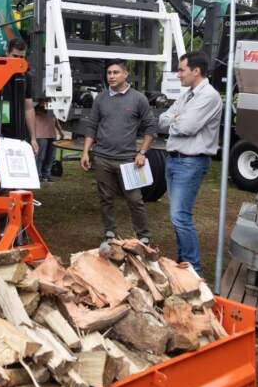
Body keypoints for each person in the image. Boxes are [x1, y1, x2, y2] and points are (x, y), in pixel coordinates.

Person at [158, 51, 222, 276]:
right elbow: (163, 119)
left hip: (190, 162)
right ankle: (183, 262)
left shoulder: (209, 96)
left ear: (196, 71)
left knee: (180, 216)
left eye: (181, 69)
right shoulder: (188, 95)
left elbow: (186, 127)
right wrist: (176, 119)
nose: (178, 74)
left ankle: (194, 269)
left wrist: (175, 119)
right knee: (177, 216)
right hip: (175, 160)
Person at [80, 60, 156, 245]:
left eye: (115, 72)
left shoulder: (138, 99)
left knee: (135, 200)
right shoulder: (101, 98)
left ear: (125, 74)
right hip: (102, 159)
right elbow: (92, 126)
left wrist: (142, 152)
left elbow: (151, 127)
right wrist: (85, 152)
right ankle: (110, 234)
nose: (111, 76)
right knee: (106, 198)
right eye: (109, 73)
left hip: (128, 160)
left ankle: (143, 237)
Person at [0, 38, 38, 154]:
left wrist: (33, 138)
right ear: (7, 53)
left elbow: (29, 108)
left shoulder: (26, 76)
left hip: (19, 132)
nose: (18, 60)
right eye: (15, 56)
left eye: (22, 57)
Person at [34, 101, 62, 182]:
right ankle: (38, 175)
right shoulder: (37, 102)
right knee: (40, 156)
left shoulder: (55, 102)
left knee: (51, 156)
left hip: (52, 133)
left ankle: (46, 174)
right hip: (40, 133)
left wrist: (60, 131)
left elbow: (55, 118)